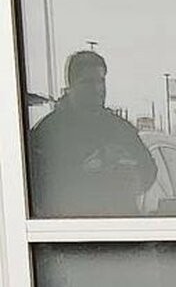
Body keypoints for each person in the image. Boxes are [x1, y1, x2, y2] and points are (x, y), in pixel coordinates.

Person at [27, 51, 157, 217]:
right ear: (71, 87)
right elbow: (37, 191)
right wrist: (90, 169)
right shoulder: (48, 132)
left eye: (101, 81)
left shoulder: (119, 128)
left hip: (120, 225)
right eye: (88, 82)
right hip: (72, 227)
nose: (97, 89)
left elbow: (148, 169)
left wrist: (133, 177)